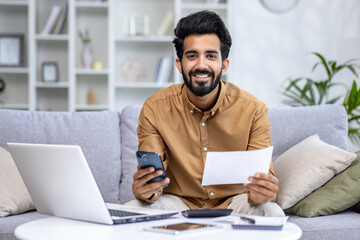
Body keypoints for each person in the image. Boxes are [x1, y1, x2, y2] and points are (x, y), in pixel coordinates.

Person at [126, 10, 284, 217]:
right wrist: (145, 192)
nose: (201, 65)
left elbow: (261, 183)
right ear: (179, 64)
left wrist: (261, 194)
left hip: (234, 203)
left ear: (223, 65)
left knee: (272, 213)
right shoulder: (155, 109)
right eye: (192, 56)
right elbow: (152, 181)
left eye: (210, 56)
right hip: (178, 202)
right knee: (132, 210)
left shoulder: (254, 110)